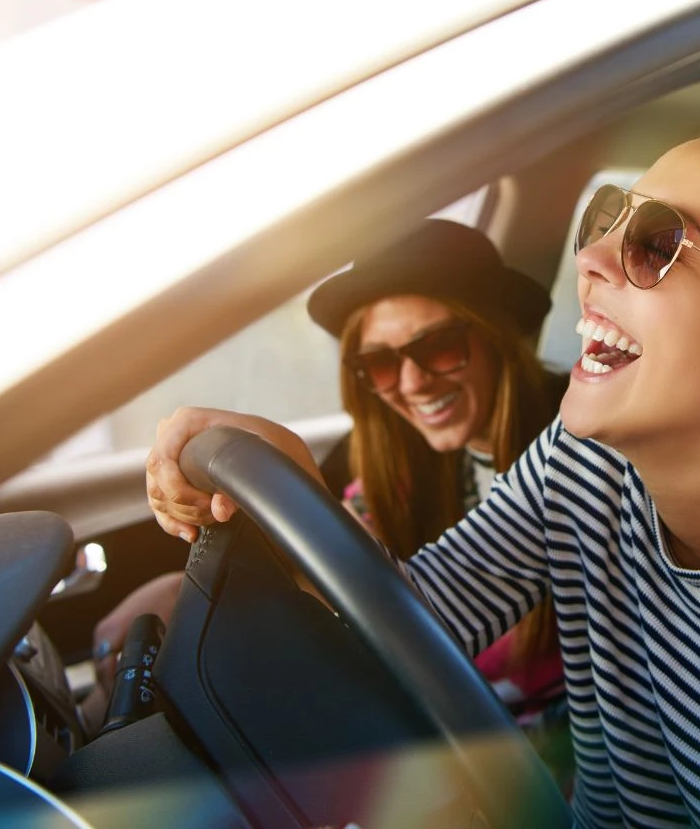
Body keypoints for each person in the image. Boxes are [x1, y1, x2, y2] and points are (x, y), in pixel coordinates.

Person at [146, 110, 700, 827]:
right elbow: (413, 623)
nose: (588, 258)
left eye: (658, 243)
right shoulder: (588, 467)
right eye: (608, 217)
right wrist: (291, 493)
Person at [94, 221, 570, 774]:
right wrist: (182, 589)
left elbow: (423, 615)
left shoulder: (572, 451)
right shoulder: (398, 453)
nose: (411, 383)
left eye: (439, 347)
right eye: (381, 363)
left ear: (497, 336)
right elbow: (359, 590)